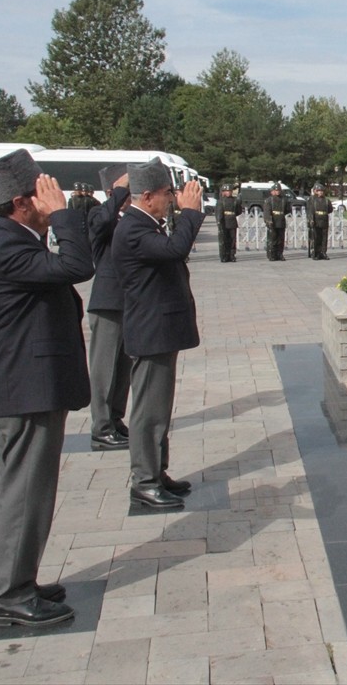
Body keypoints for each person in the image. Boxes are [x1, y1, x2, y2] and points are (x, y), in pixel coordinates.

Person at [0, 149, 92, 627]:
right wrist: (63, 215)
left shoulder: (18, 238)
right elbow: (78, 266)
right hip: (26, 384)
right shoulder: (8, 245)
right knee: (25, 491)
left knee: (31, 489)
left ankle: (21, 577)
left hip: (33, 381)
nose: (53, 198)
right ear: (24, 203)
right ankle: (10, 593)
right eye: (44, 194)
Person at [112, 159, 205, 509]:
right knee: (149, 412)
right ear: (147, 196)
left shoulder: (146, 222)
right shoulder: (134, 227)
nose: (172, 199)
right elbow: (175, 250)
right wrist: (192, 213)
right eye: (168, 194)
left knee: (159, 409)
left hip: (159, 330)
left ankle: (157, 471)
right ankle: (144, 481)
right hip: (151, 331)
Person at [87, 164, 132, 453]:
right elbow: (101, 224)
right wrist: (118, 191)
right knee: (104, 368)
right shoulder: (97, 214)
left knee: (123, 367)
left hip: (128, 302)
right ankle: (101, 427)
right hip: (107, 302)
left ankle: (115, 419)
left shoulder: (128, 218)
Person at [263, 183, 292, 261]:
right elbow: (267, 212)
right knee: (272, 239)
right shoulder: (269, 200)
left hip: (281, 221)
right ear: (272, 191)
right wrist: (268, 220)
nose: (277, 192)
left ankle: (280, 254)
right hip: (273, 221)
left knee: (280, 240)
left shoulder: (284, 199)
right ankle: (271, 254)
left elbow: (287, 210)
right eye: (275, 190)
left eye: (278, 190)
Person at [215, 184, 241, 262]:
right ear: (223, 192)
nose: (228, 192)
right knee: (224, 239)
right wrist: (219, 222)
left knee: (232, 240)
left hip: (232, 221)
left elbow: (238, 211)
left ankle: (232, 255)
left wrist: (232, 215)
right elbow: (218, 213)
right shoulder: (220, 201)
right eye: (226, 191)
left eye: (229, 191)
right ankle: (224, 255)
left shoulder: (235, 200)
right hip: (224, 222)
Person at [308, 183, 332, 260]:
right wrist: (311, 220)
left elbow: (330, 209)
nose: (320, 192)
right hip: (316, 221)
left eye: (322, 191)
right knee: (316, 238)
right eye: (318, 191)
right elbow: (310, 211)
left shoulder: (326, 200)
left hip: (324, 220)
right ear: (316, 191)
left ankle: (323, 252)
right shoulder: (312, 200)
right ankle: (316, 253)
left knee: (324, 238)